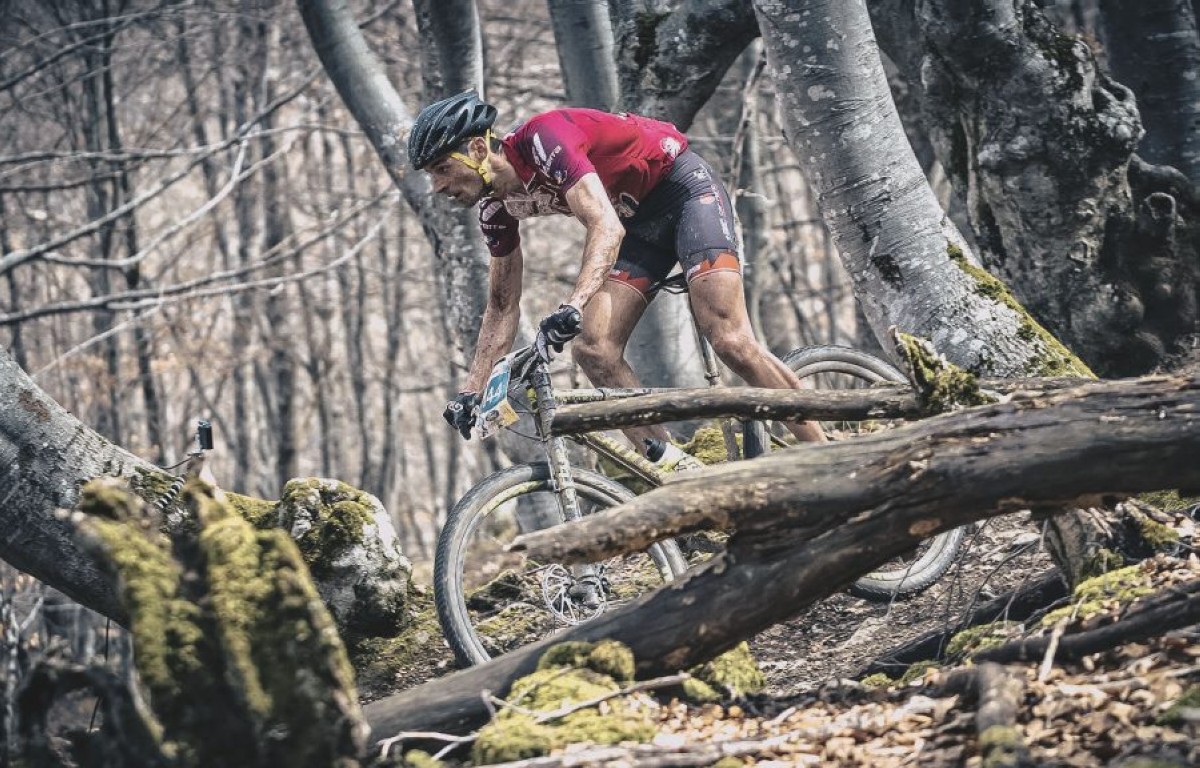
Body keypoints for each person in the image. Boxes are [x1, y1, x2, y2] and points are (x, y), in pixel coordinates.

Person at [408, 90, 824, 448]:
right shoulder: (496, 208)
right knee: (594, 349)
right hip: (637, 225)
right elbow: (501, 307)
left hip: (684, 193)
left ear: (479, 149)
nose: (438, 186)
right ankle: (673, 467)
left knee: (728, 338)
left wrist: (573, 303)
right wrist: (472, 390)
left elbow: (603, 224)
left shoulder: (544, 139)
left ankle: (826, 455)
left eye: (443, 168)